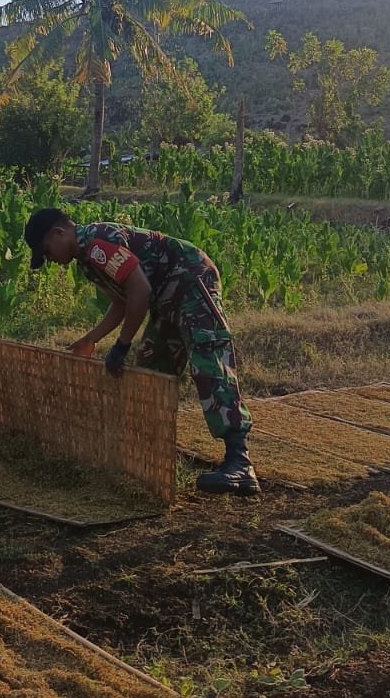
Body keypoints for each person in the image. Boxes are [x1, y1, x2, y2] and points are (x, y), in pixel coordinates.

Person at [23, 207, 260, 496]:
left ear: (58, 233)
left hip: (190, 280)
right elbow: (122, 302)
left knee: (208, 362)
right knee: (151, 368)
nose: (51, 260)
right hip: (166, 297)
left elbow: (140, 291)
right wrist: (91, 339)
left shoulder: (98, 242)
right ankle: (153, 454)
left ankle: (239, 462)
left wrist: (122, 345)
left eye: (47, 251)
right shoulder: (86, 260)